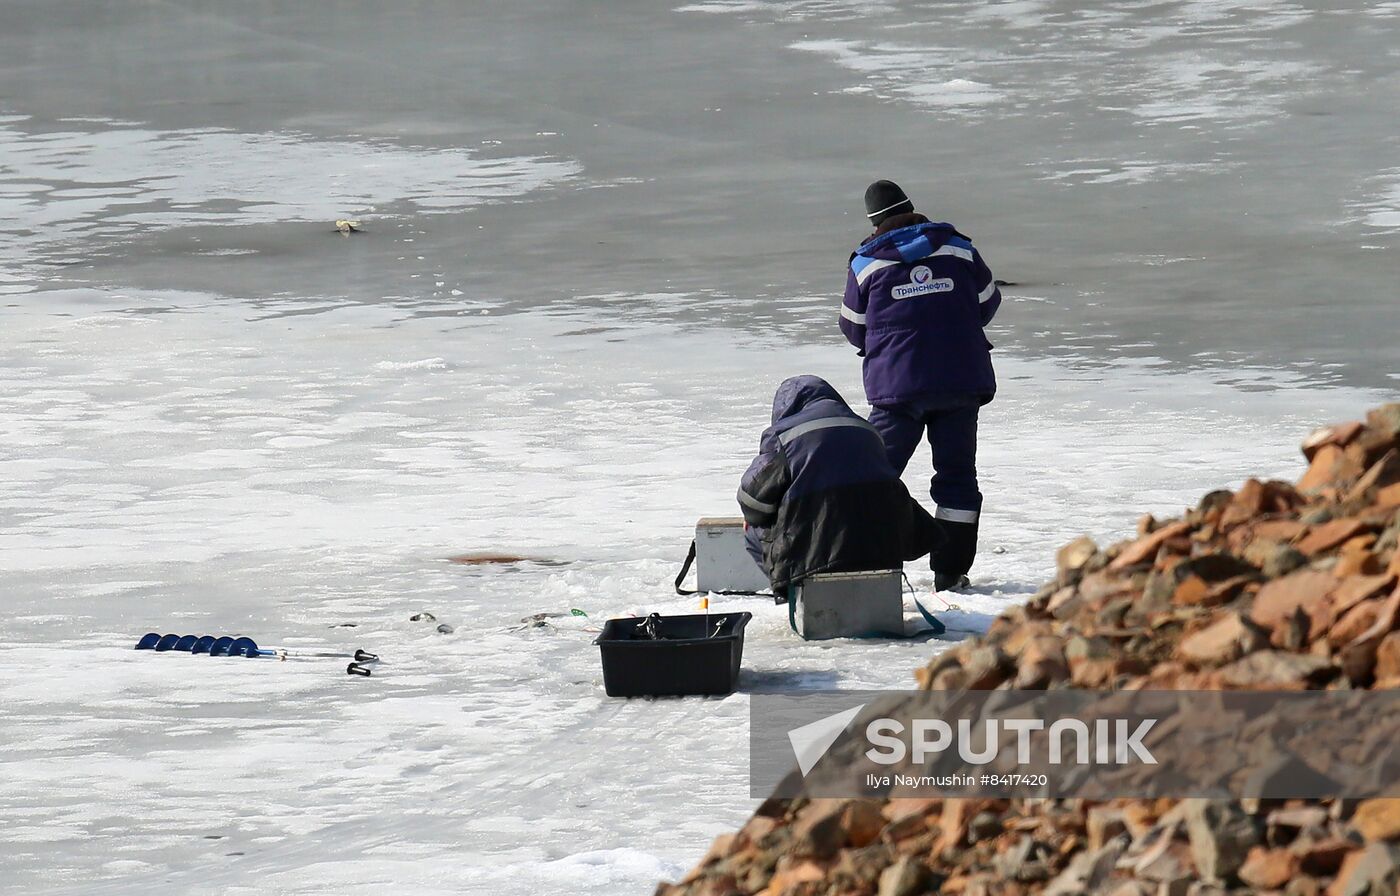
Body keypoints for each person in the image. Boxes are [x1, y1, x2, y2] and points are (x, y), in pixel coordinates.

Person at [839, 180, 1002, 591]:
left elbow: (853, 329)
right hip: (960, 382)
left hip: (898, 392)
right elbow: (987, 303)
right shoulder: (958, 248)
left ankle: (868, 562)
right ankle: (949, 573)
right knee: (957, 477)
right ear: (913, 209)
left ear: (874, 223)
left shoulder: (865, 264)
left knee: (873, 477)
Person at [736, 375, 941, 594]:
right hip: (883, 554)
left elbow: (753, 502)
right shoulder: (868, 429)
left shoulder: (783, 435)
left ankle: (794, 594)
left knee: (752, 529)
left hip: (810, 559)